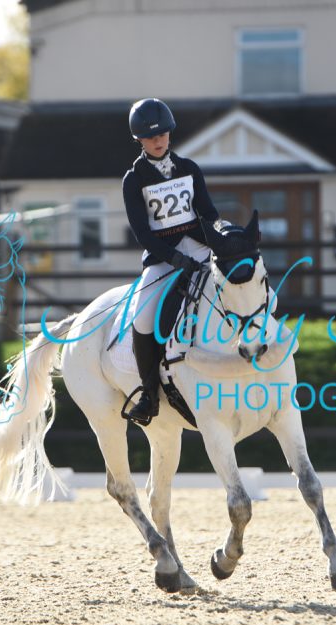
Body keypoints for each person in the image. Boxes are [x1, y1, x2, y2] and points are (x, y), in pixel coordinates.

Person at [121, 98, 219, 425]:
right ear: (139, 139)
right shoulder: (134, 179)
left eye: (162, 134)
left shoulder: (189, 168)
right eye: (151, 137)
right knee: (142, 319)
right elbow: (142, 233)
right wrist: (175, 258)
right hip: (163, 257)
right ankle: (149, 394)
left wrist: (224, 237)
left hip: (201, 250)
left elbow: (209, 213)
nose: (158, 141)